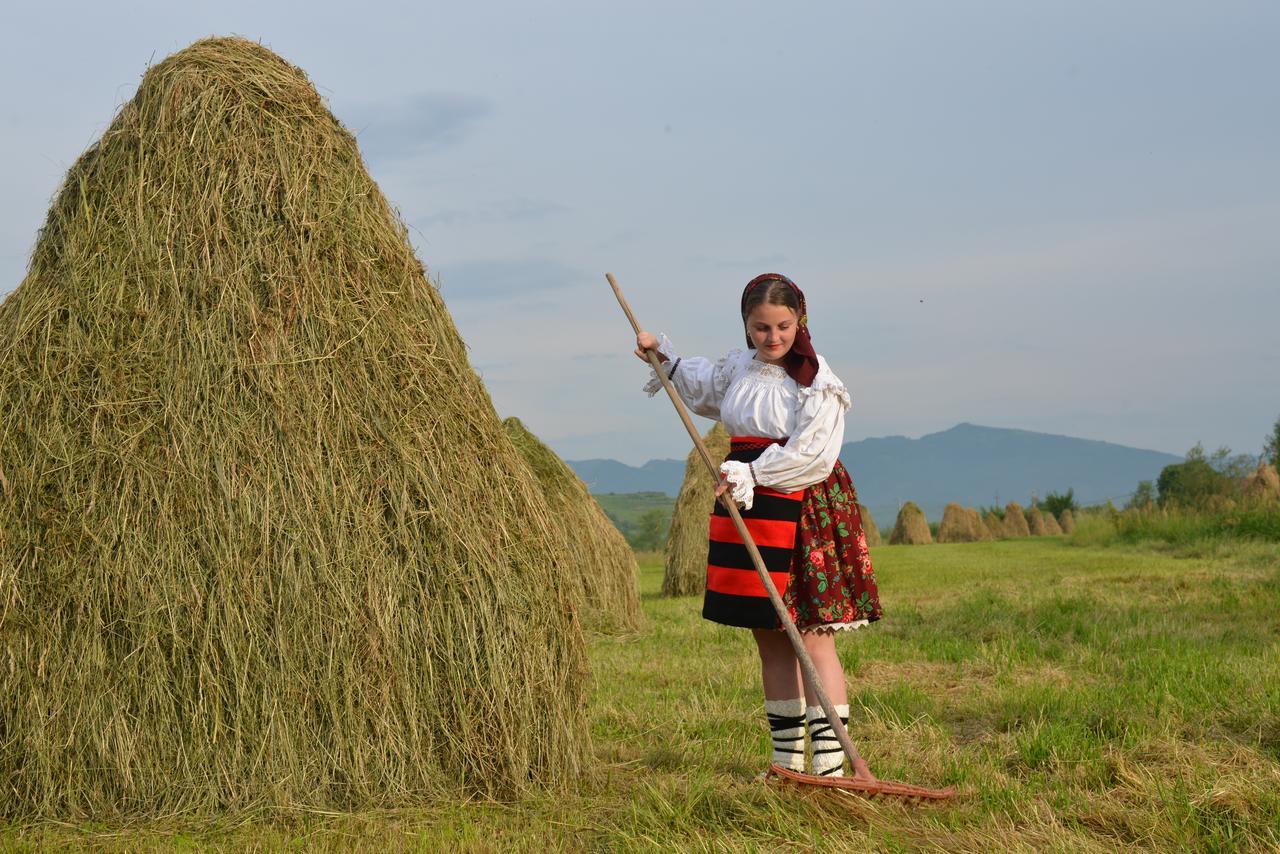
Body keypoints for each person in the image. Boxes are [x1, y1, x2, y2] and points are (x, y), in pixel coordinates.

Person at [634, 273, 882, 781]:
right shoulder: (740, 366)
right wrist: (662, 356)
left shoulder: (816, 377)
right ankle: (786, 763)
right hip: (744, 498)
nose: (772, 338)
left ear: (800, 321)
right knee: (768, 634)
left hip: (800, 503)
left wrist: (755, 472)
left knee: (811, 635)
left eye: (783, 326)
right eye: (761, 327)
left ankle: (831, 770)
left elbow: (814, 452)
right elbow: (704, 391)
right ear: (747, 326)